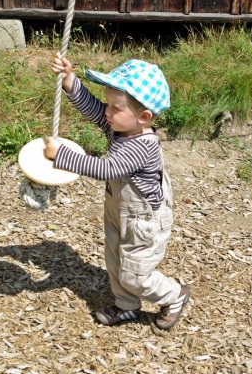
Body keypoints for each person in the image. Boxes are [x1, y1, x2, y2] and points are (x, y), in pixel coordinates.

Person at [45, 52, 190, 331]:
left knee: (135, 273)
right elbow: (93, 109)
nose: (107, 112)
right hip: (119, 209)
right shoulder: (122, 127)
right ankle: (126, 306)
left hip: (143, 220)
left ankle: (174, 295)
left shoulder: (141, 145)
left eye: (115, 107)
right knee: (115, 260)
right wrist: (70, 80)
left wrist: (60, 155)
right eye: (109, 104)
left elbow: (107, 169)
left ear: (143, 116)